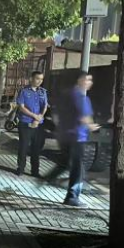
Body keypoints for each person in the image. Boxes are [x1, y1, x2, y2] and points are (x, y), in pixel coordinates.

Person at [44, 72, 99, 207]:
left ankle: (49, 178)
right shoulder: (81, 97)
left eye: (91, 80)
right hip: (77, 137)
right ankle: (72, 197)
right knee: (77, 169)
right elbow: (84, 117)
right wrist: (92, 126)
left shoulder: (66, 94)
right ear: (80, 80)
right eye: (87, 80)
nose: (90, 83)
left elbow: (56, 114)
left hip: (64, 136)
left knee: (66, 162)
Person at [16, 71, 48, 177]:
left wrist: (38, 119)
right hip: (25, 123)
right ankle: (20, 169)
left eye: (41, 79)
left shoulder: (43, 92)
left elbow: (45, 106)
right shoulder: (24, 91)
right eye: (37, 78)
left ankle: (35, 171)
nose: (39, 81)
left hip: (38, 124)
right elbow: (21, 107)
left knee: (36, 148)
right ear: (31, 79)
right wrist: (34, 116)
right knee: (23, 147)